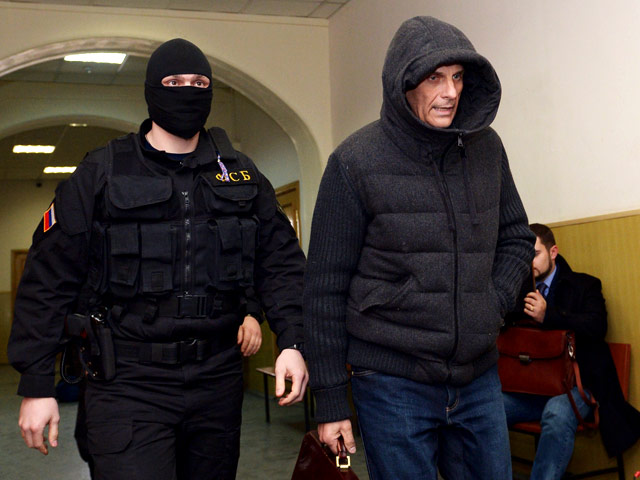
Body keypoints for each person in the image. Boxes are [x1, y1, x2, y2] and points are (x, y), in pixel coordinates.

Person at [8, 38, 308, 480]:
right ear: (152, 90)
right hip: (127, 382)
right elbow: (47, 277)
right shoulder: (103, 172)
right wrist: (36, 383)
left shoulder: (241, 175)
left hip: (216, 381)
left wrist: (293, 342)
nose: (187, 90)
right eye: (174, 82)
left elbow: (281, 265)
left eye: (199, 82)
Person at [303, 16, 535, 480]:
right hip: (391, 383)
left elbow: (516, 237)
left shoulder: (487, 149)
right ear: (403, 85)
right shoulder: (354, 161)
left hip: (478, 377)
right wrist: (330, 401)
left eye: (458, 77)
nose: (450, 92)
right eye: (435, 78)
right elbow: (324, 289)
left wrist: (491, 302)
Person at [503, 223, 640, 480]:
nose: (529, 262)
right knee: (486, 408)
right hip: (532, 385)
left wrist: (549, 315)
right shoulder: (518, 291)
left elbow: (597, 326)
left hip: (579, 385)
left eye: (535, 254)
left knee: (556, 413)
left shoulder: (584, 285)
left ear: (553, 252)